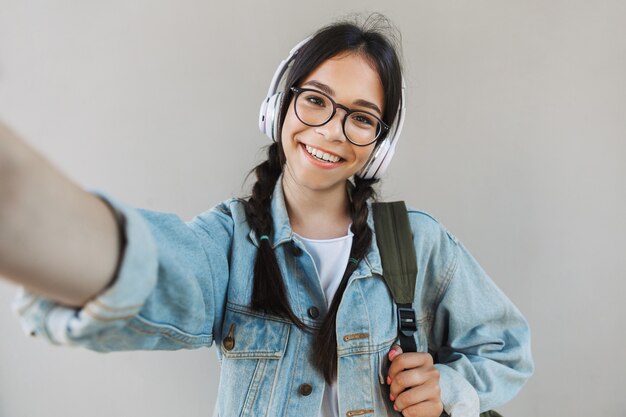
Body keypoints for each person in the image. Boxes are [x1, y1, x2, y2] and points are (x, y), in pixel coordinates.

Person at [0, 14, 533, 417]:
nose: (330, 131)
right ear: (280, 104)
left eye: (361, 118)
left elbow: (506, 350)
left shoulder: (415, 240)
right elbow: (159, 274)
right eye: (316, 101)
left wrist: (447, 389)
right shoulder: (229, 241)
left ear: (380, 144)